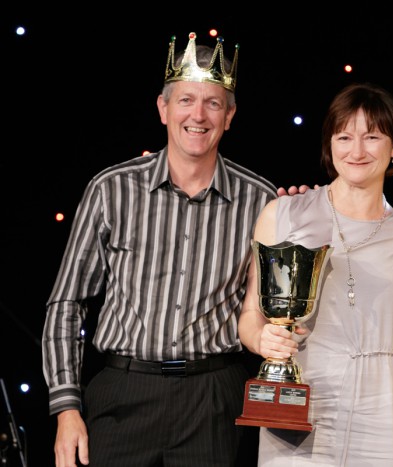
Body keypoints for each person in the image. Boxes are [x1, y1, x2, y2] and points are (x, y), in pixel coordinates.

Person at [41, 31, 277, 467]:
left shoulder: (262, 200)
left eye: (213, 103)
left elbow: (272, 306)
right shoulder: (111, 189)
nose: (199, 115)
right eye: (186, 100)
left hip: (212, 398)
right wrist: (66, 407)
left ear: (230, 116)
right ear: (163, 108)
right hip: (122, 393)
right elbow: (67, 303)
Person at [238, 82, 393, 466]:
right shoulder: (285, 214)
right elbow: (251, 318)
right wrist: (263, 341)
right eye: (344, 136)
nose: (356, 151)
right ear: (330, 145)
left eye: (372, 137)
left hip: (386, 410)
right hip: (304, 405)